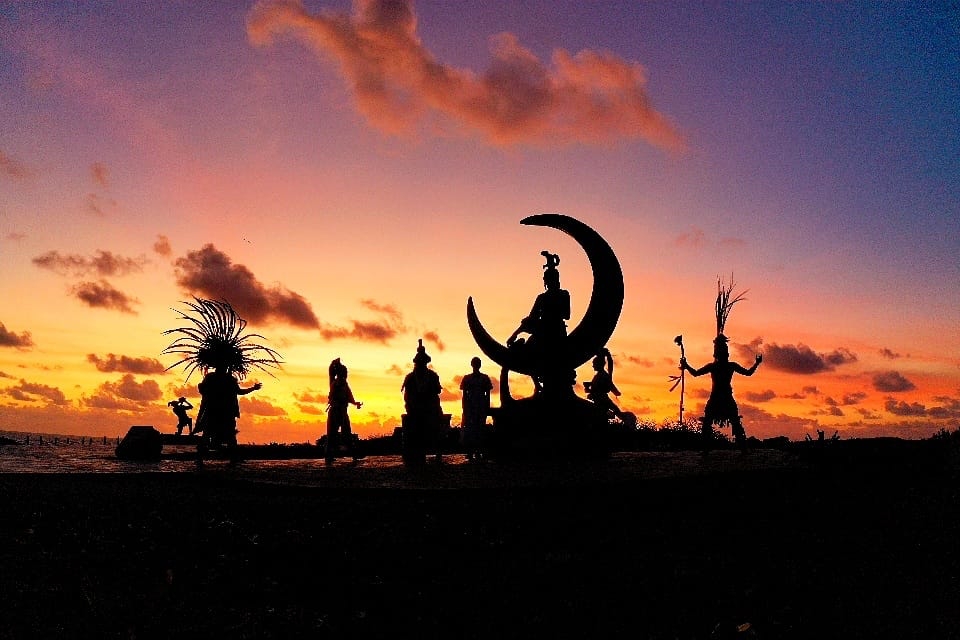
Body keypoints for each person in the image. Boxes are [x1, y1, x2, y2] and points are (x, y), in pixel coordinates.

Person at [680, 336, 761, 450]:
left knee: (725, 423)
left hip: (721, 398)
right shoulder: (724, 366)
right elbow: (748, 373)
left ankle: (709, 449)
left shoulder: (718, 366)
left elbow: (695, 373)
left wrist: (686, 365)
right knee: (718, 423)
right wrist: (686, 365)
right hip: (720, 398)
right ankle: (708, 448)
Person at [507, 251, 571, 392]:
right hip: (553, 332)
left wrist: (516, 333)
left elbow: (532, 318)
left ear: (547, 281)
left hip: (550, 334)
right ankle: (538, 385)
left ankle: (538, 384)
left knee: (529, 354)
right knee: (529, 352)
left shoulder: (546, 297)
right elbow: (566, 315)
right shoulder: (561, 295)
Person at [195, 367, 262, 453]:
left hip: (222, 409)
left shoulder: (225, 378)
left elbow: (238, 391)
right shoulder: (219, 378)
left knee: (224, 430)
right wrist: (253, 388)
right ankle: (206, 449)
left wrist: (253, 388)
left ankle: (230, 450)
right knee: (212, 429)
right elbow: (203, 389)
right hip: (219, 408)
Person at [401, 340, 443, 465]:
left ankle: (436, 450)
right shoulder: (410, 377)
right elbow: (407, 396)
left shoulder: (432, 376)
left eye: (423, 363)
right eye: (420, 363)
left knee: (435, 426)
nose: (421, 365)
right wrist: (411, 408)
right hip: (415, 409)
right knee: (416, 430)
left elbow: (437, 391)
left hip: (430, 408)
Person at [583, 349, 635, 427]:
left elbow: (602, 388)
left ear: (599, 364)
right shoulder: (599, 375)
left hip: (602, 401)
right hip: (599, 400)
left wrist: (589, 388)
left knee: (605, 414)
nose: (593, 365)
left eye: (594, 364)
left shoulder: (603, 375)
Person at [325, 358, 362, 463]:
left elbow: (349, 396)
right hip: (336, 411)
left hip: (342, 410)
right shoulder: (337, 383)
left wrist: (355, 403)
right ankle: (329, 456)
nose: (346, 374)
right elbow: (339, 396)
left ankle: (354, 454)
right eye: (345, 372)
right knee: (333, 434)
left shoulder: (342, 383)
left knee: (346, 432)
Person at [460, 357, 492, 462]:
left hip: (480, 405)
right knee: (471, 428)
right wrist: (464, 408)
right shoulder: (467, 378)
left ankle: (478, 450)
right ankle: (471, 451)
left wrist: (487, 406)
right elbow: (464, 395)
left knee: (479, 428)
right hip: (471, 406)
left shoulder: (484, 378)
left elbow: (488, 394)